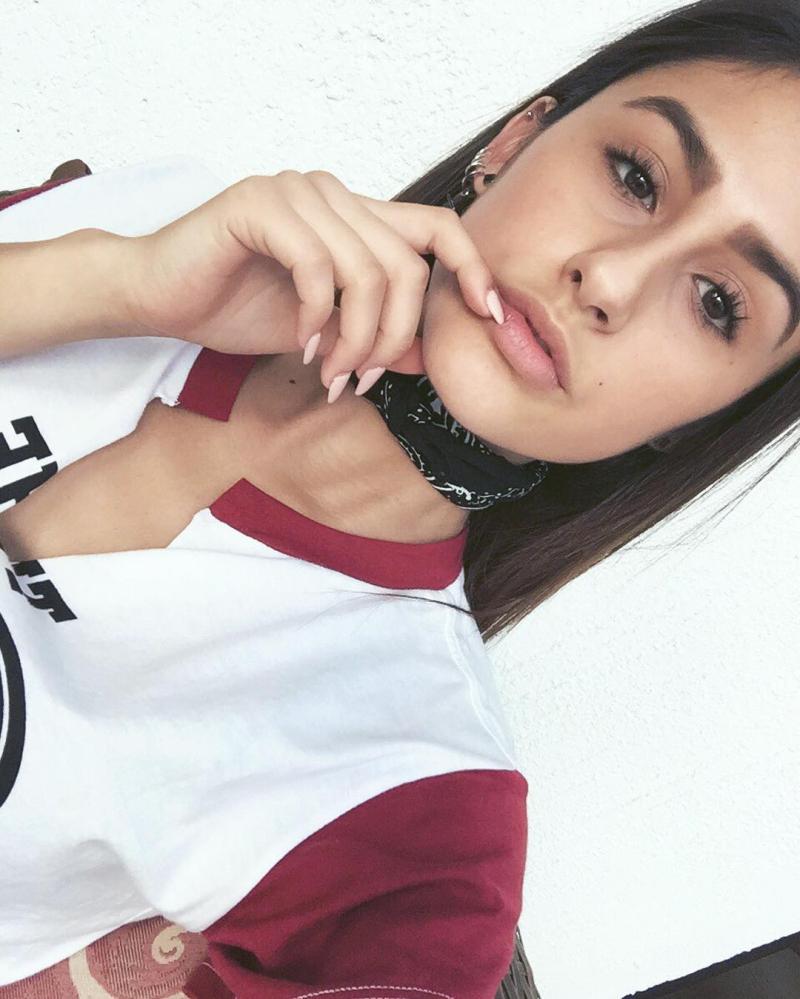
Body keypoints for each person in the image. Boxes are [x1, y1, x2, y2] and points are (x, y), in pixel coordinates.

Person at [1, 0, 799, 995]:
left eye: (718, 303)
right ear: (515, 142)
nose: (609, 280)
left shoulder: (414, 802)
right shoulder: (154, 219)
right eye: (636, 177)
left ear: (701, 418)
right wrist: (118, 285)